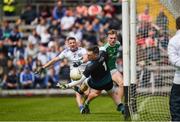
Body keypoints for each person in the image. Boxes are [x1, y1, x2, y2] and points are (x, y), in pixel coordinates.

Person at [57, 45, 123, 114]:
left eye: (89, 55)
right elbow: (102, 48)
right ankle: (121, 106)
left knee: (85, 81)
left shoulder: (90, 66)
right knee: (112, 93)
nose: (87, 56)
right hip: (108, 80)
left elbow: (80, 80)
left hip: (97, 84)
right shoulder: (103, 53)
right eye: (87, 54)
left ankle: (80, 90)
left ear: (96, 54)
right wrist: (81, 61)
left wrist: (67, 86)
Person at [75, 29, 124, 113]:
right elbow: (90, 56)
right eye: (111, 38)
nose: (113, 40)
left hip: (112, 69)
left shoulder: (118, 44)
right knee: (96, 93)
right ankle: (86, 103)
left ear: (117, 38)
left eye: (114, 38)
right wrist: (80, 61)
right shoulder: (103, 48)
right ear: (107, 38)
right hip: (103, 73)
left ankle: (120, 105)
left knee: (122, 83)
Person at [35, 36, 88, 113]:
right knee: (77, 93)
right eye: (70, 43)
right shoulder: (65, 52)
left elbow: (86, 58)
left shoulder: (82, 50)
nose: (72, 44)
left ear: (76, 43)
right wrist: (43, 67)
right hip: (74, 74)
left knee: (86, 93)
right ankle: (81, 108)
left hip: (85, 73)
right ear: (68, 44)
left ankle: (85, 105)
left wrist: (80, 62)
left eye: (74, 42)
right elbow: (54, 60)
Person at [168, 16, 180, 121]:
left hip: (178, 81)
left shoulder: (173, 40)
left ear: (176, 26)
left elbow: (174, 60)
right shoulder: (174, 40)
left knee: (175, 108)